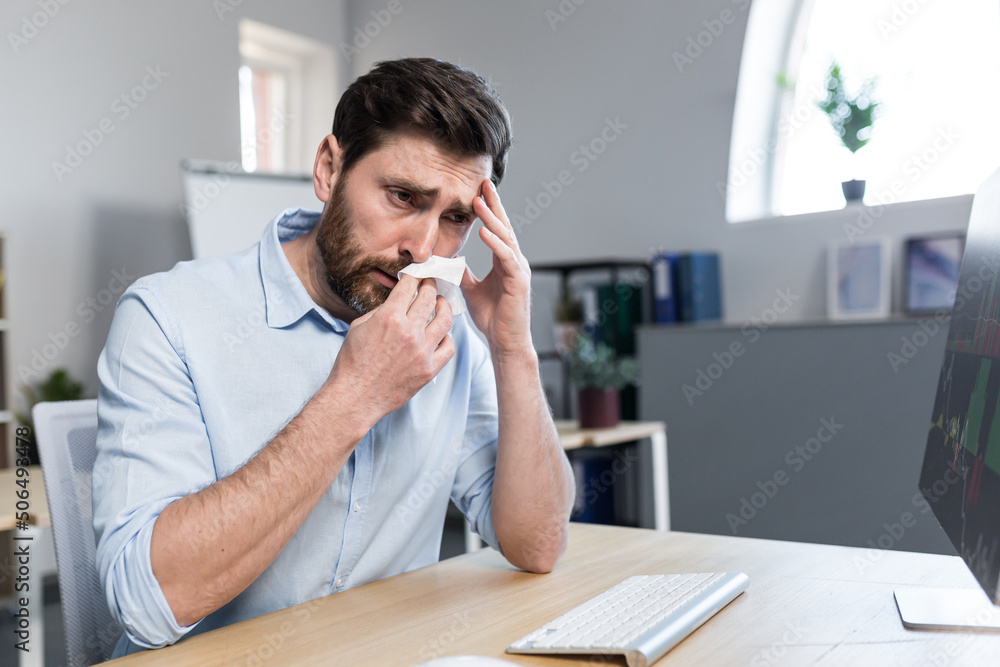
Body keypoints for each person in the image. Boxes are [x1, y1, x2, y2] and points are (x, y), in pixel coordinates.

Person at [92, 57, 575, 656]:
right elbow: (148, 601)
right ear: (329, 168)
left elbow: (537, 544)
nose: (420, 248)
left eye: (454, 218)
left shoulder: (447, 333)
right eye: (402, 196)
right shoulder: (169, 317)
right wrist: (357, 395)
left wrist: (512, 348)